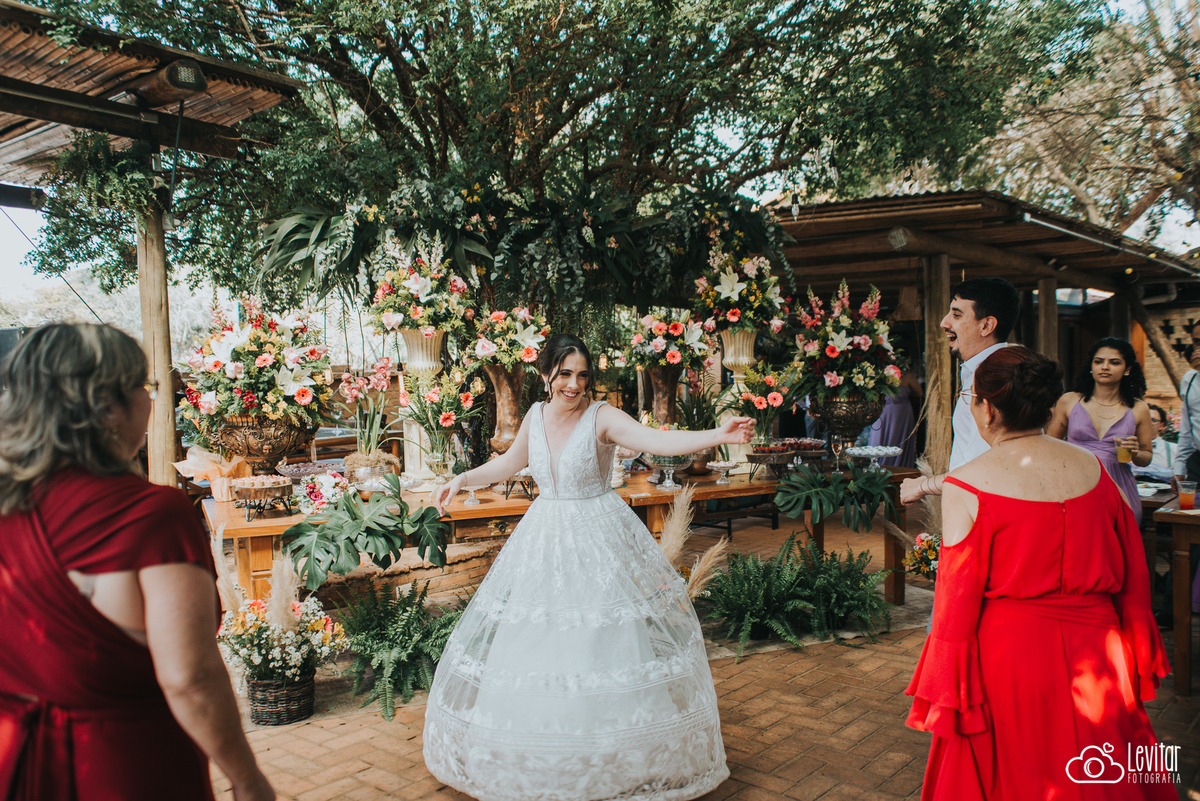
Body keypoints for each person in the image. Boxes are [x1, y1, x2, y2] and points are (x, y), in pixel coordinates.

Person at [423, 334, 753, 801]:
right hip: (544, 539)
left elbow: (657, 440)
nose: (573, 384)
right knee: (540, 639)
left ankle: (613, 752)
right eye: (564, 374)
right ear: (546, 376)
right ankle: (541, 752)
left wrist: (719, 435)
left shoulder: (602, 417)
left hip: (597, 541)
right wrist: (461, 478)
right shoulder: (535, 417)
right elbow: (510, 462)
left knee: (601, 639)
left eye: (581, 375)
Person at [0, 324, 274, 801]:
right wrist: (247, 779)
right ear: (107, 407)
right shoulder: (149, 515)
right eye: (144, 386)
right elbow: (190, 678)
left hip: (14, 760)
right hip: (122, 764)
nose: (149, 401)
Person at [905, 346, 1174, 799]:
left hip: (1010, 656)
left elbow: (956, 602)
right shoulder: (1093, 467)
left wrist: (946, 681)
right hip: (1100, 653)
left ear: (986, 409)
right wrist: (1135, 645)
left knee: (1017, 772)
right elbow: (1133, 571)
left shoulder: (968, 484)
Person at [900, 277, 1019, 506]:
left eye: (956, 315)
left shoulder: (994, 379)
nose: (944, 323)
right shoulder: (984, 371)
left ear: (986, 326)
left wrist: (922, 486)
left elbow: (984, 468)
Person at [1046, 337, 1153, 524]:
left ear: (1128, 369)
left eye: (1114, 362)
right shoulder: (1069, 401)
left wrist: (1135, 452)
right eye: (1098, 361)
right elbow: (1048, 445)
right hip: (1076, 485)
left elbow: (1146, 457)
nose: (1105, 367)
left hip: (1120, 486)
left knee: (1120, 547)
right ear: (1091, 366)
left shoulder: (1139, 408)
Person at [868, 357, 923, 467]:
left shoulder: (881, 374)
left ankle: (876, 465)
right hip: (901, 411)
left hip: (885, 410)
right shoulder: (907, 376)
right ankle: (899, 466)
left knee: (880, 437)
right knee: (899, 438)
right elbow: (920, 393)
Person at [1132, 403, 1175, 484]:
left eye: (1153, 420)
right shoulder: (1122, 446)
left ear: (1161, 425)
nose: (1147, 423)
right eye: (1143, 419)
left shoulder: (1174, 450)